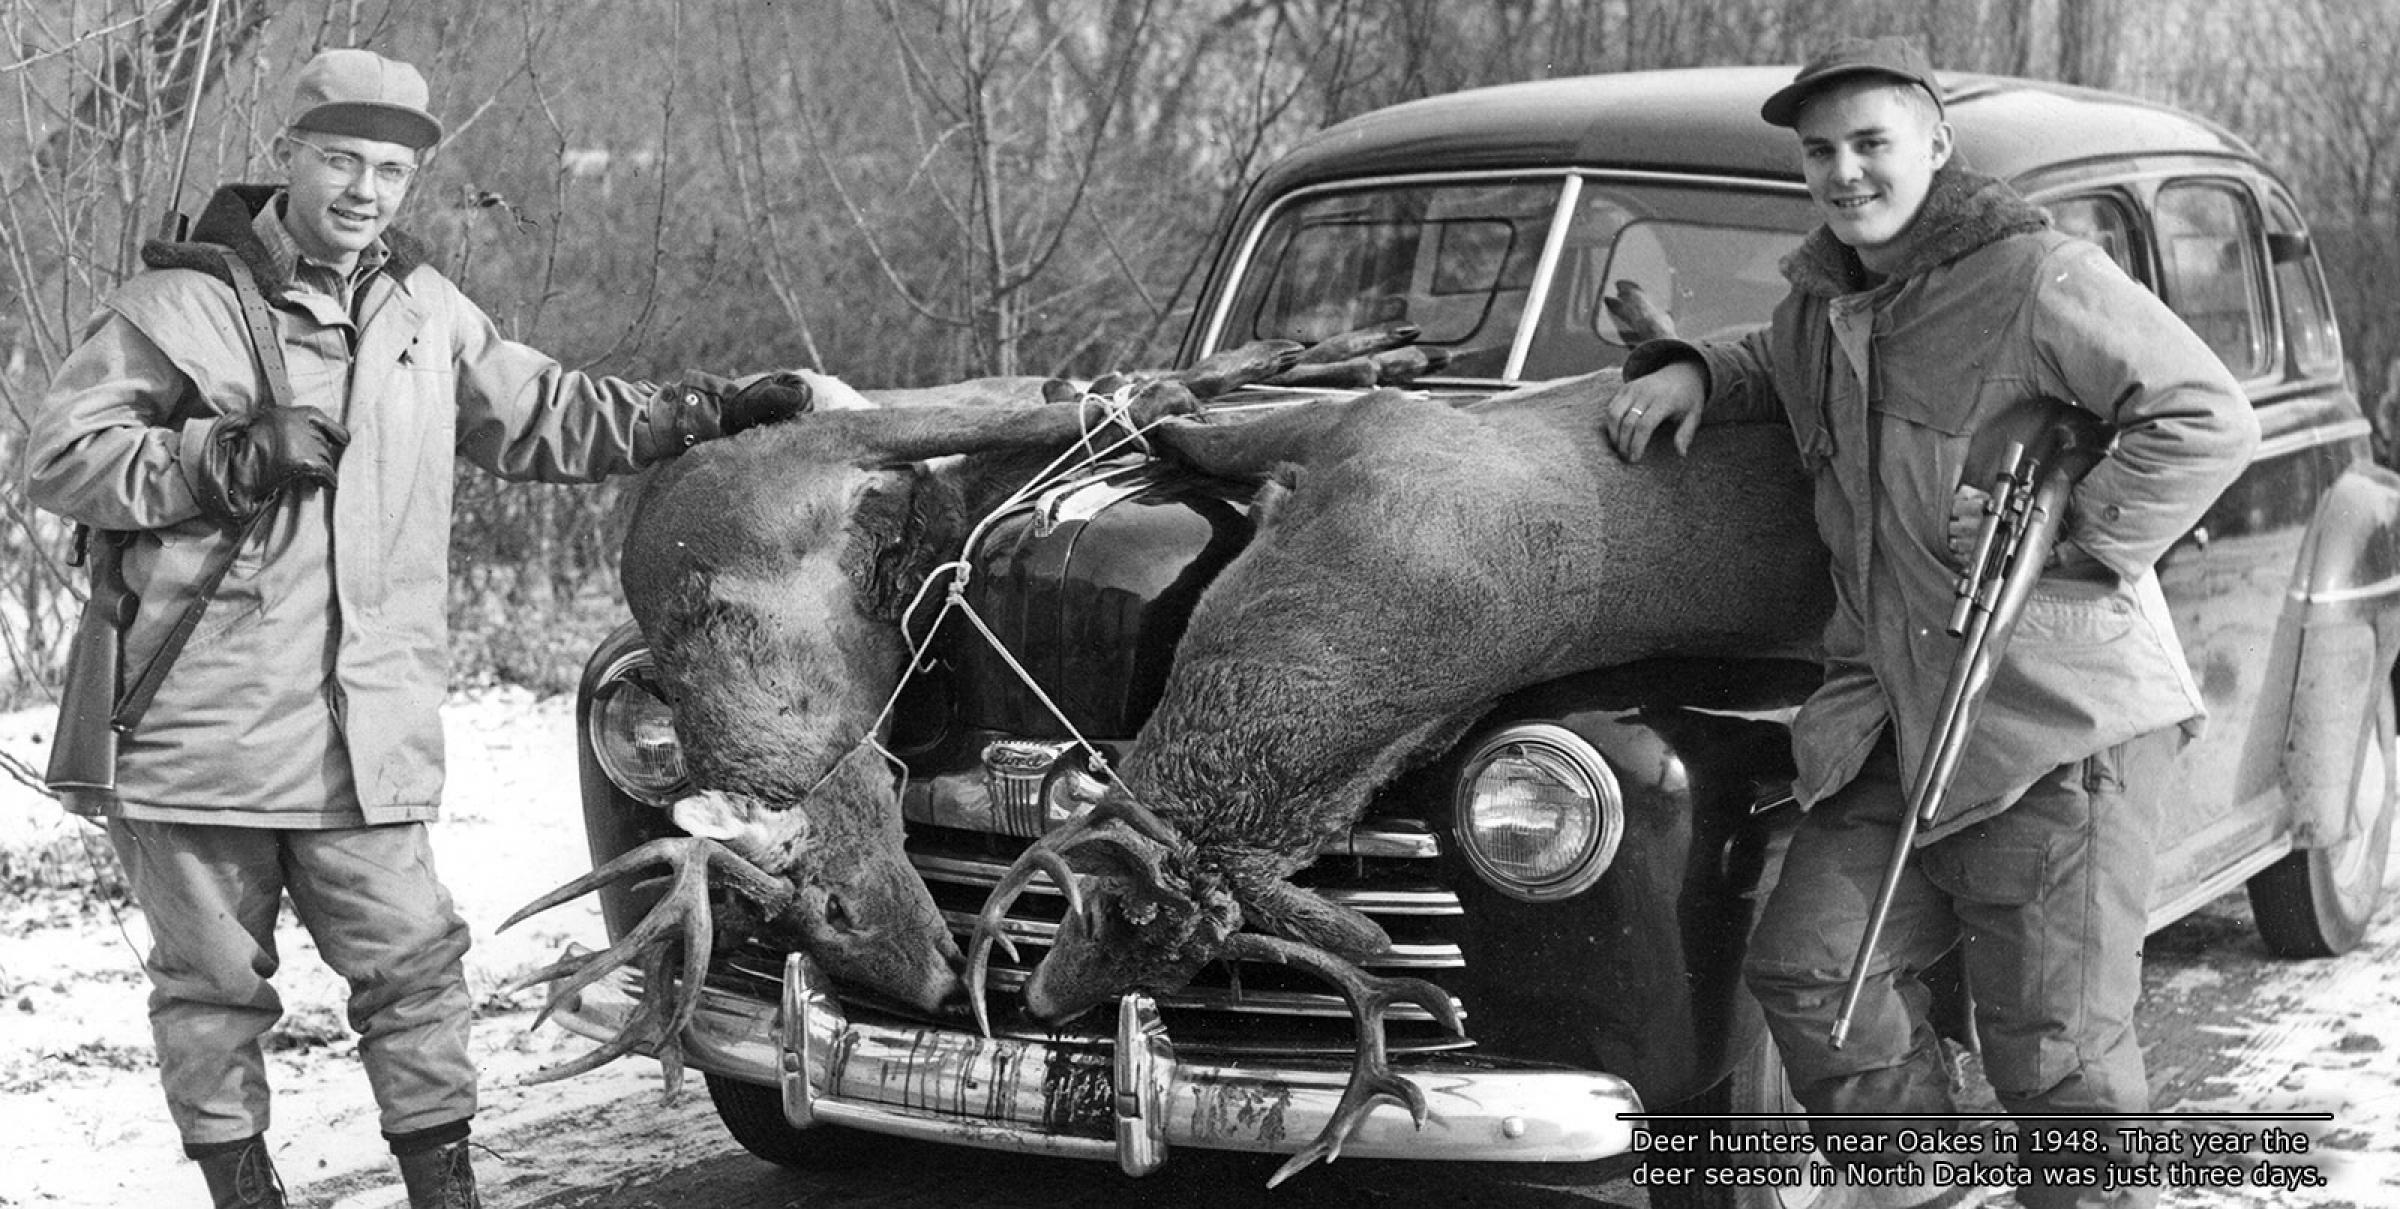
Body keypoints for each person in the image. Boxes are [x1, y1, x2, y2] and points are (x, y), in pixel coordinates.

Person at [24, 48, 811, 1209]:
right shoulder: (173, 307)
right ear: (288, 156)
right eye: (340, 159)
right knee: (211, 989)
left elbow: (543, 410)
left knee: (417, 970)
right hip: (204, 733)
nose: (364, 190)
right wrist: (220, 456)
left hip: (368, 734)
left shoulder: (419, 310)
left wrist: (698, 412)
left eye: (391, 169)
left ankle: (447, 1196)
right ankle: (245, 1196)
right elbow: (62, 456)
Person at [1604, 37, 2258, 1209]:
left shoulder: (2034, 276)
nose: (1846, 173)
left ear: (1937, 145)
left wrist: (2072, 537)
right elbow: (1787, 359)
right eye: (1821, 152)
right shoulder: (1823, 303)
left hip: (2052, 728)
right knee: (1815, 978)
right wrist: (1696, 367)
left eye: (1871, 143)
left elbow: (2207, 414)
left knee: (2057, 1063)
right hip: (1892, 728)